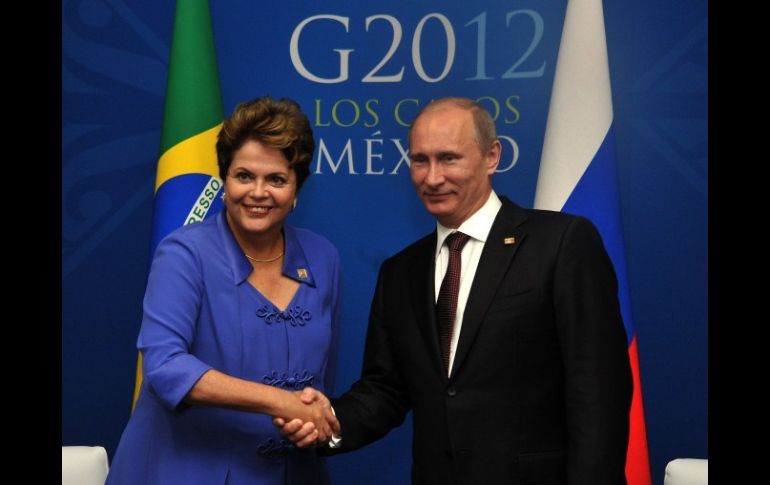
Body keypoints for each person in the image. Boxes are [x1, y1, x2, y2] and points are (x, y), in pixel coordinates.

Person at [277, 97, 633, 484]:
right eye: (420, 160)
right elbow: (385, 390)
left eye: (448, 158)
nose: (432, 178)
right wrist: (325, 422)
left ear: (492, 156)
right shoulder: (401, 272)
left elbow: (599, 391)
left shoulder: (560, 243)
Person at [106, 96, 341, 485]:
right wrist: (280, 401)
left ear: (297, 187)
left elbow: (321, 381)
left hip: (291, 472)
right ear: (224, 180)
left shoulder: (323, 256)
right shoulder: (184, 252)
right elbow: (165, 366)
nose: (258, 192)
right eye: (244, 176)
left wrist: (310, 419)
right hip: (184, 471)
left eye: (276, 179)